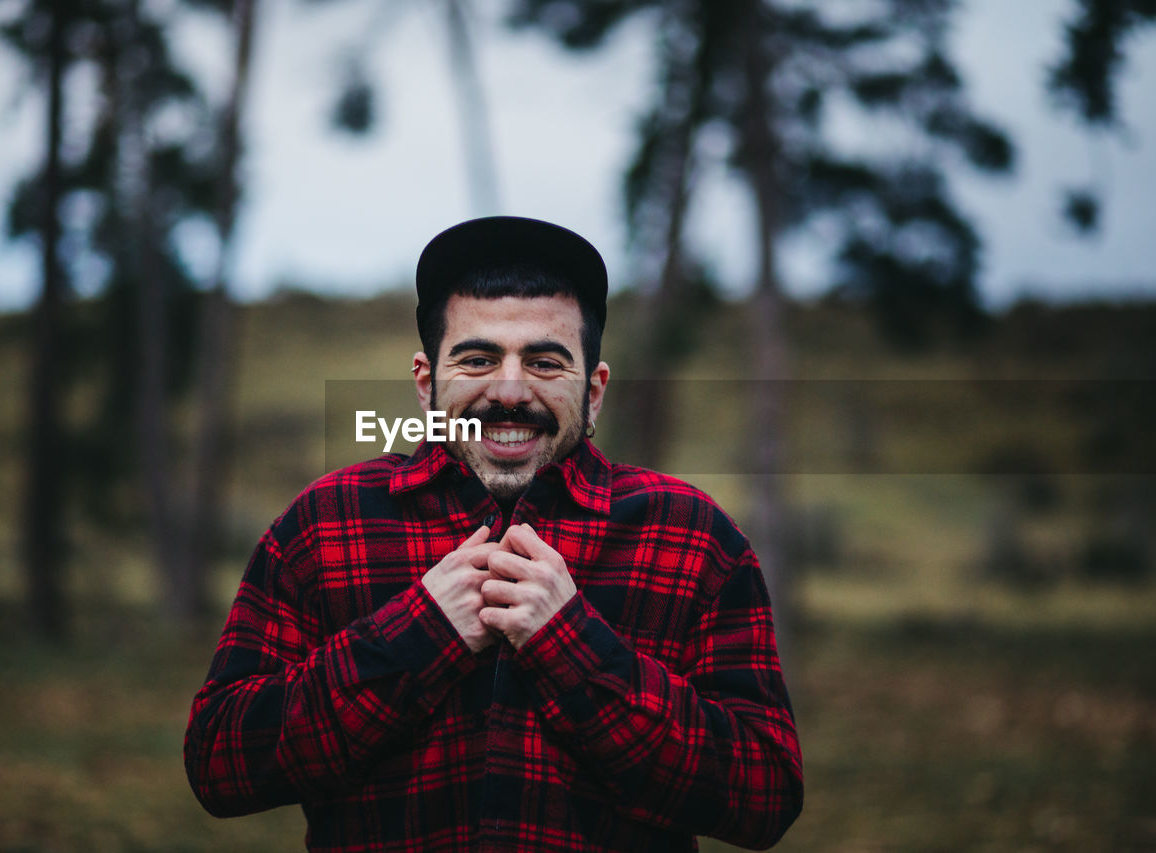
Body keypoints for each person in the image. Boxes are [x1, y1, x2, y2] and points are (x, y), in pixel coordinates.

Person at [184, 216, 803, 851]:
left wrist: (572, 644)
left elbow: (764, 798)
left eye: (544, 361)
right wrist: (419, 632)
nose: (509, 390)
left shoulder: (692, 537)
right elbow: (221, 765)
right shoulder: (324, 524)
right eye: (477, 359)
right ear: (428, 384)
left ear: (593, 392)